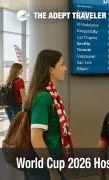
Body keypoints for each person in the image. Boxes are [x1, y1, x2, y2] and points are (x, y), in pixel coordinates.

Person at [23, 50, 73, 179]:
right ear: (50, 69)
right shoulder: (44, 97)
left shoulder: (52, 95)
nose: (65, 69)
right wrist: (52, 170)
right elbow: (36, 138)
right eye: (62, 64)